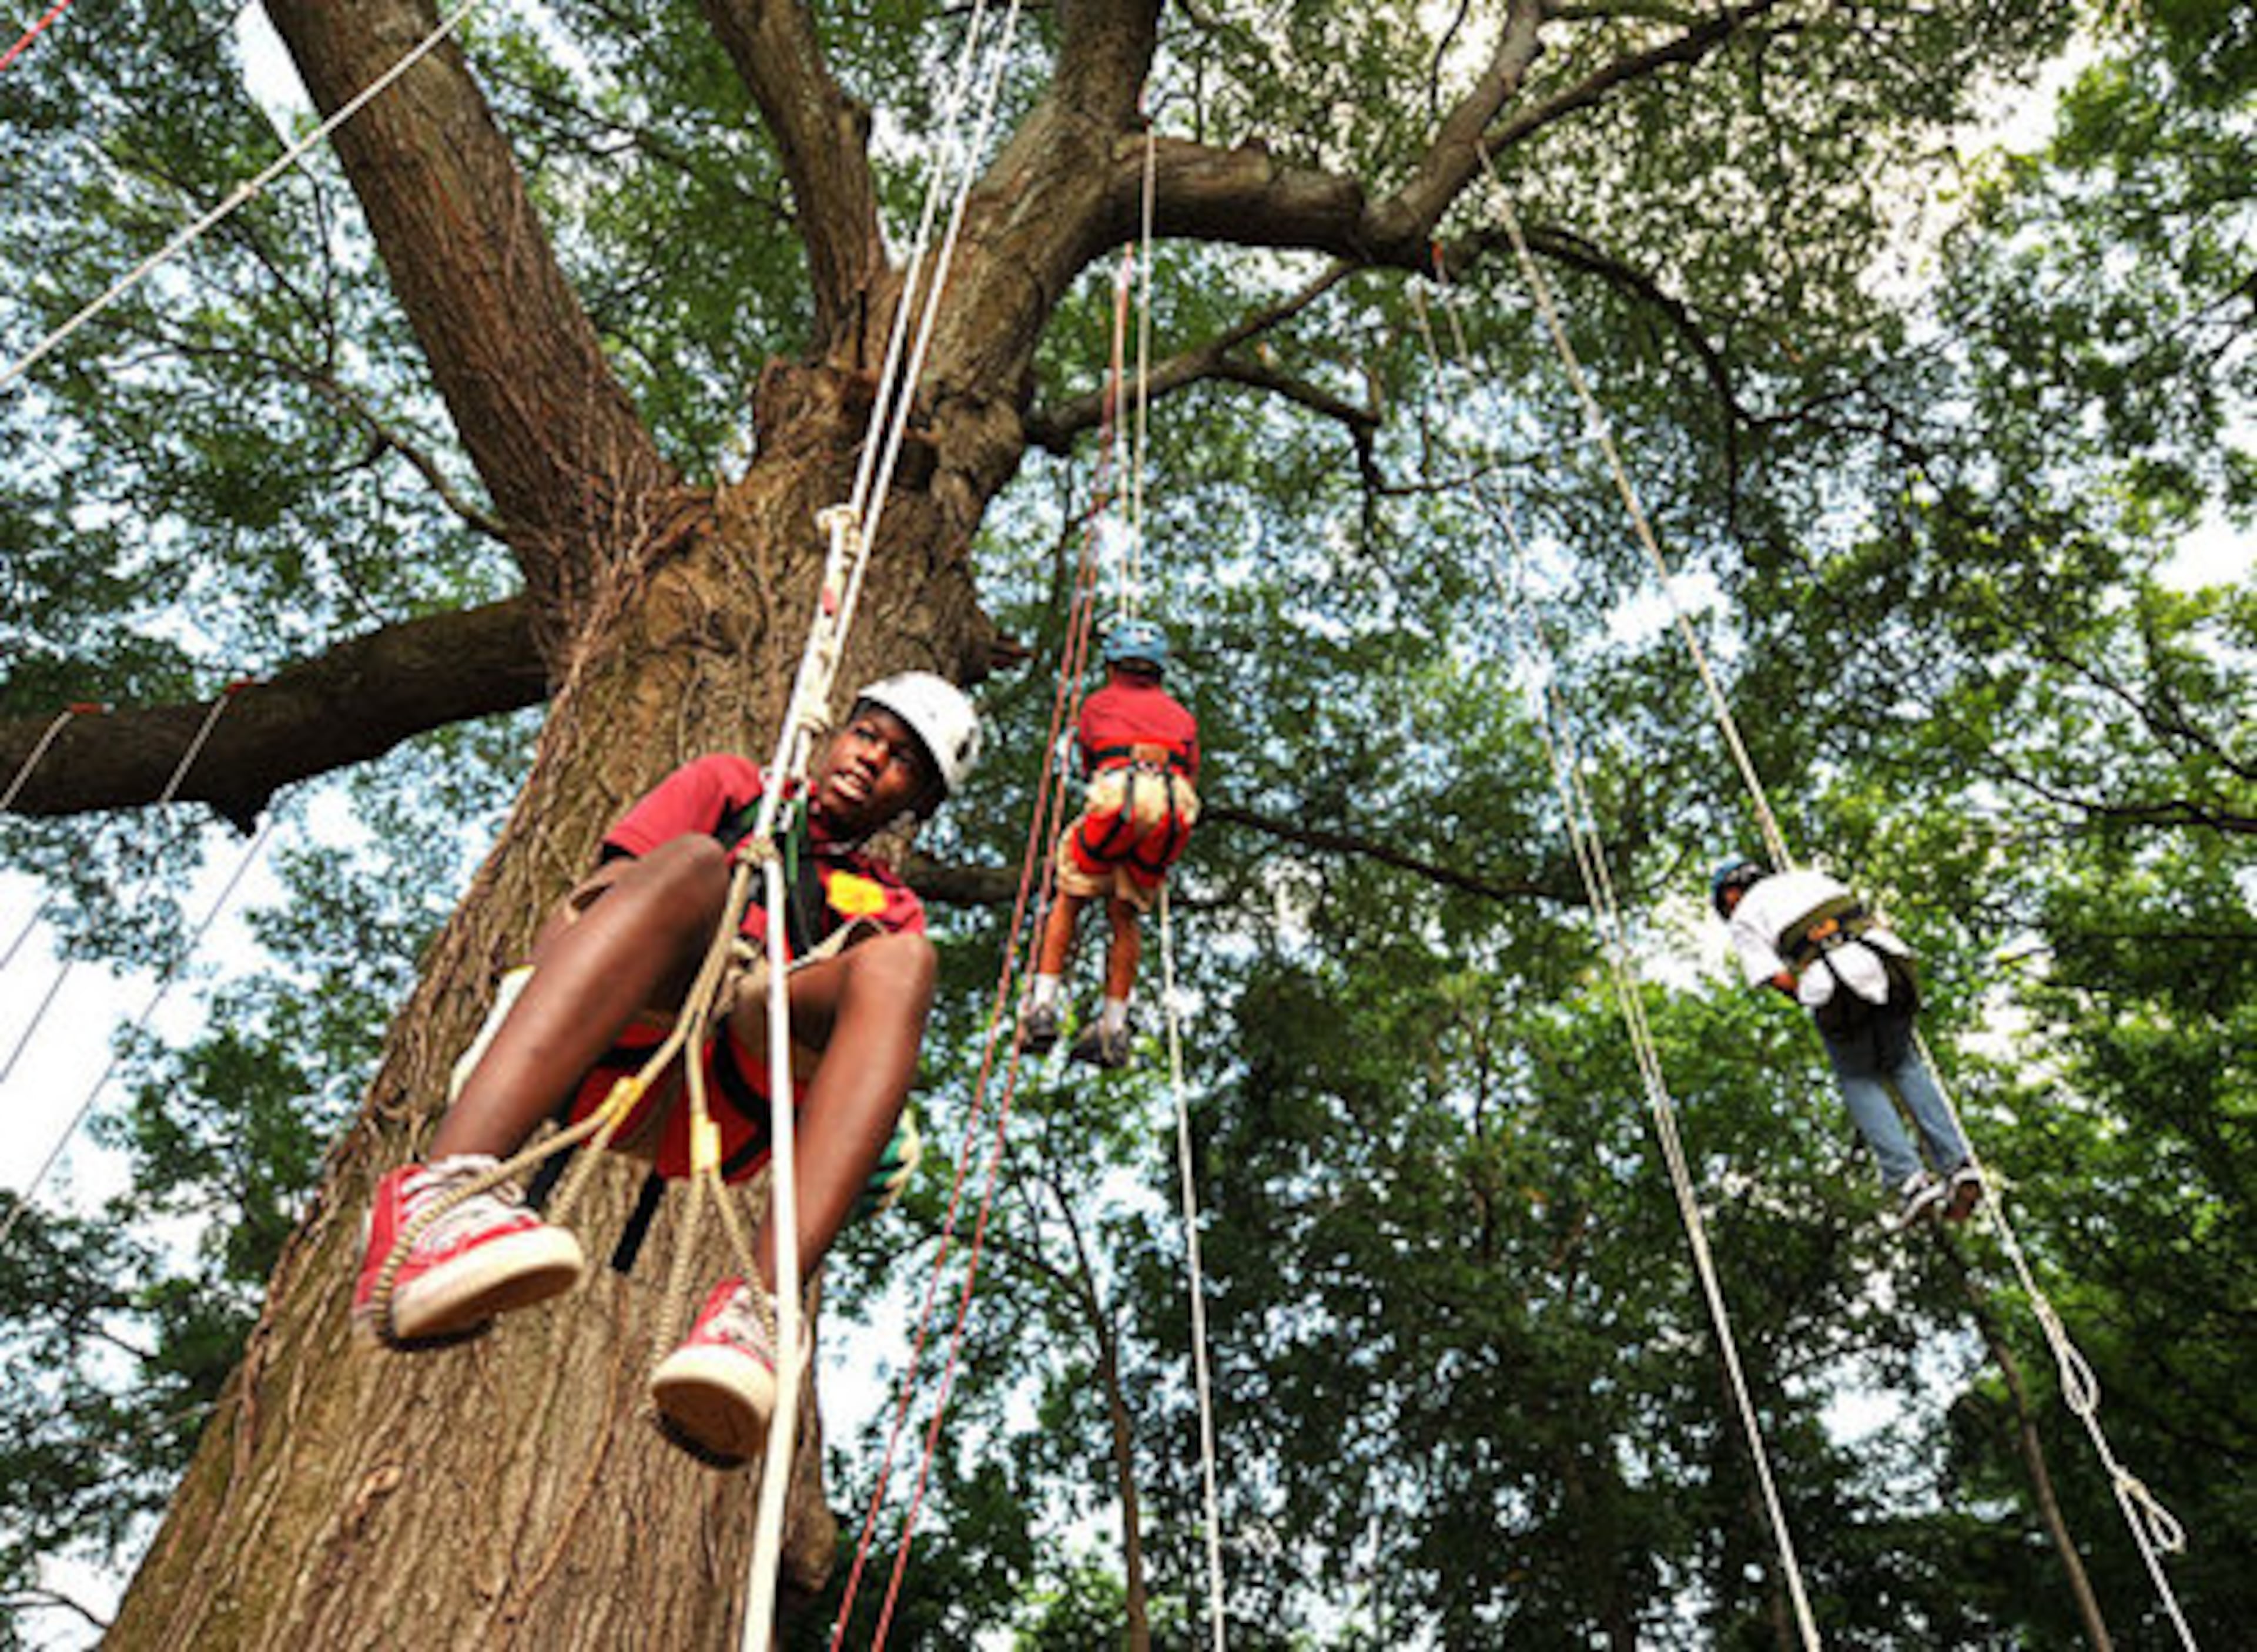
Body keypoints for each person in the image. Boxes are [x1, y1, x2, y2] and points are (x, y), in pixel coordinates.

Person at [352, 672, 980, 1465]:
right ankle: (438, 1197)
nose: (872, 758)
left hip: (737, 1097)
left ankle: (758, 1314)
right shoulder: (730, 788)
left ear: (915, 804)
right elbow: (605, 895)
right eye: (868, 733)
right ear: (835, 731)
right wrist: (721, 894)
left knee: (904, 963)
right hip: (623, 1046)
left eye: (902, 764)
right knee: (690, 864)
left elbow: (868, 1020)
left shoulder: (886, 907)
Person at [1710, 856, 1983, 1228]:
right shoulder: (1807, 877)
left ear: (1731, 894)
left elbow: (1773, 977)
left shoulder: (1745, 916)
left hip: (1832, 980)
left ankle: (1910, 1179)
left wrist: (1808, 992)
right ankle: (1958, 1163)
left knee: (1860, 1079)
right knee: (1905, 1064)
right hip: (1885, 962)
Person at [1021, 619, 1200, 1069]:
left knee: (1071, 895)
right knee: (1125, 914)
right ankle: (1115, 1026)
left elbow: (1087, 762)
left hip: (1118, 794)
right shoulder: (1182, 716)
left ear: (1113, 666)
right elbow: (1192, 771)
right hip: (1173, 808)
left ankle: (1043, 1005)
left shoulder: (1098, 704)